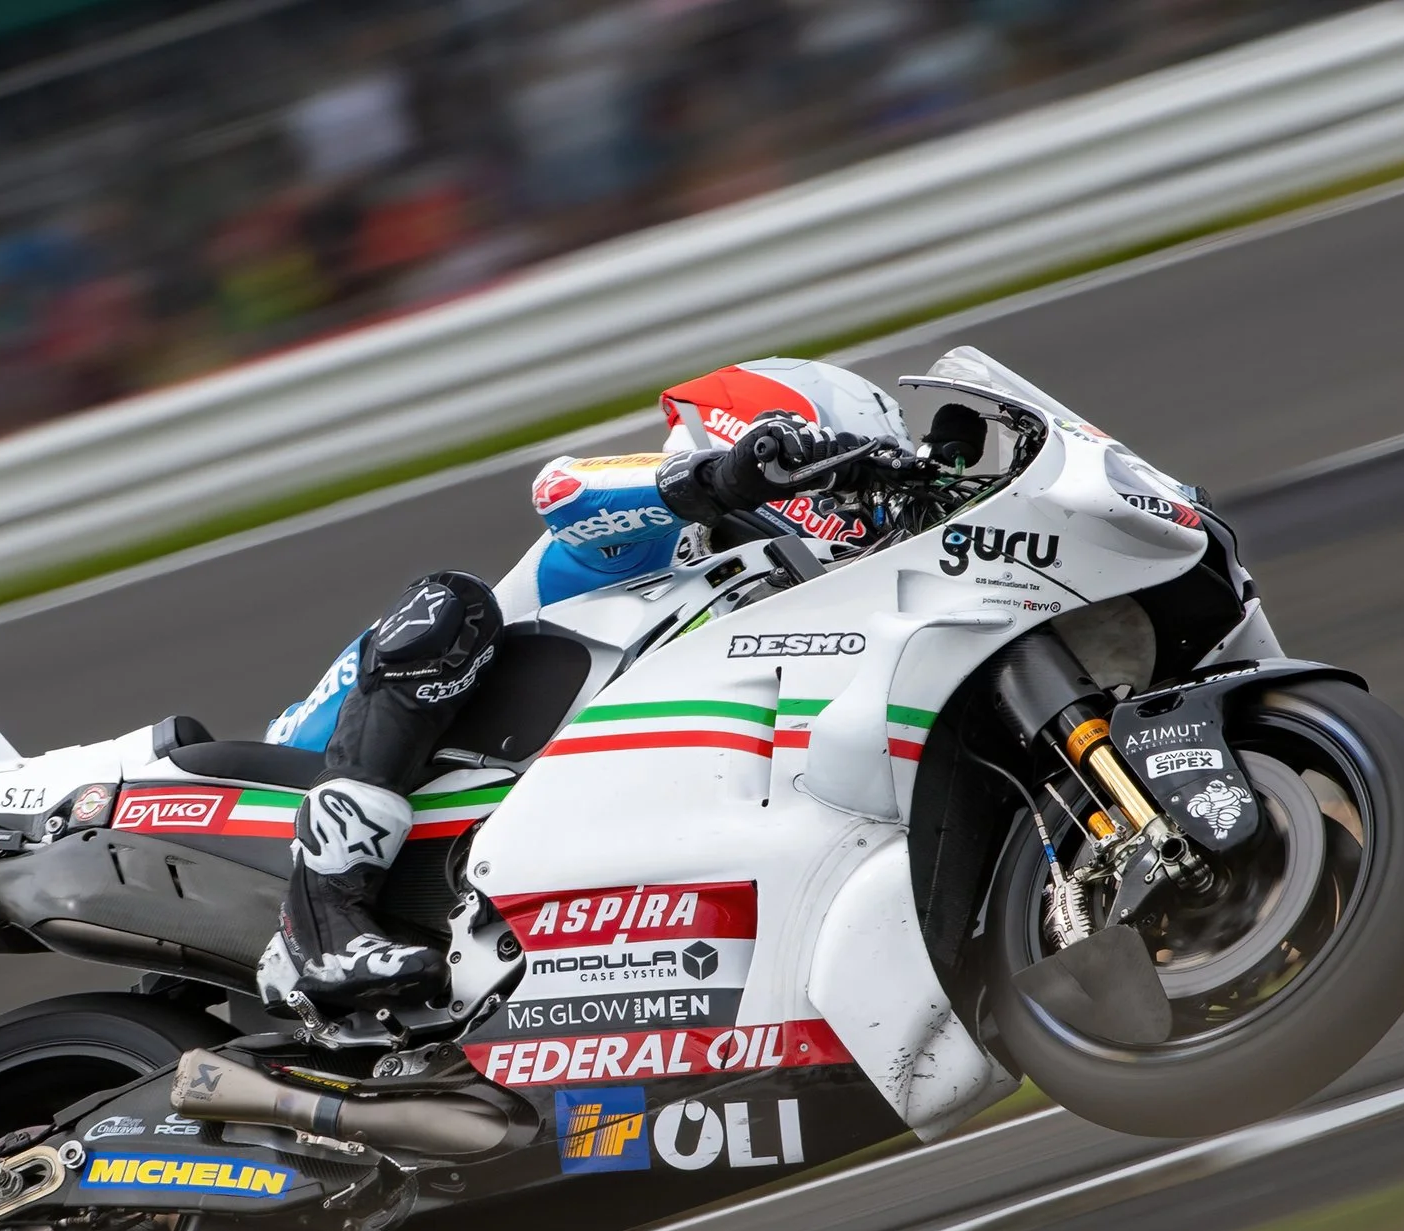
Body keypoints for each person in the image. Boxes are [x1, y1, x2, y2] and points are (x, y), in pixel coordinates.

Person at [257, 357, 915, 1013]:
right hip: (311, 756)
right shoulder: (660, 533)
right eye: (839, 475)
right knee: (452, 603)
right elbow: (561, 486)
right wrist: (725, 476)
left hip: (496, 824)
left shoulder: (774, 600)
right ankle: (323, 916)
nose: (859, 504)